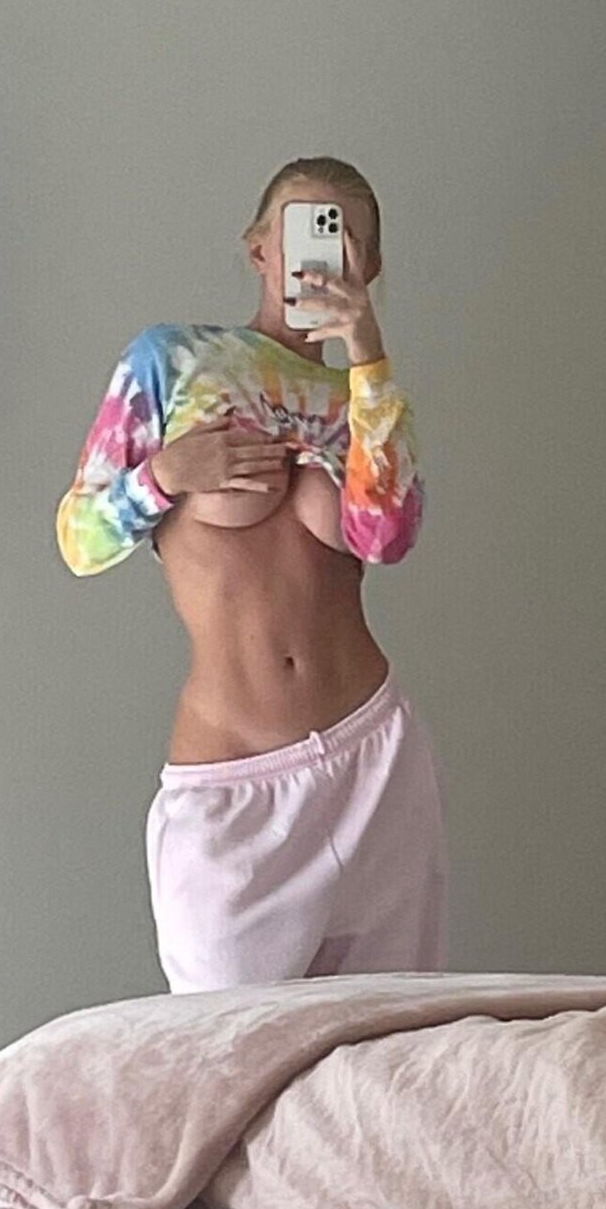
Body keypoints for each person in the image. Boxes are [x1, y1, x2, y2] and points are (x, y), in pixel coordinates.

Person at [56, 156, 447, 991]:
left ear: (369, 266)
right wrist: (168, 474)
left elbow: (385, 537)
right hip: (234, 781)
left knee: (391, 1045)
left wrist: (368, 354)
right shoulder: (173, 361)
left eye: (341, 241)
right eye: (299, 230)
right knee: (224, 1045)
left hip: (375, 756)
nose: (316, 257)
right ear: (258, 248)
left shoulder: (365, 400)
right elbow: (80, 540)